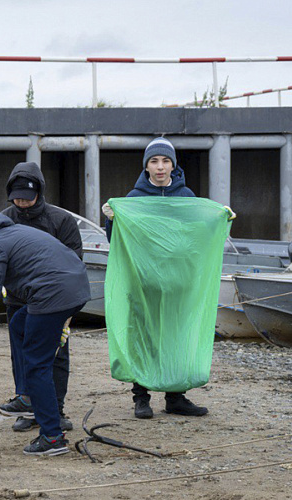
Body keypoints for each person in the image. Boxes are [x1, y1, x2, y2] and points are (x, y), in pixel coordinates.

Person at [0, 214, 90, 456]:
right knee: (19, 321)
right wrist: (63, 322)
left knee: (36, 366)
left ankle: (52, 436)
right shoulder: (17, 231)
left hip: (52, 295)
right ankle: (29, 399)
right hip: (77, 287)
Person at [101, 137, 208, 419]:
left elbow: (197, 238)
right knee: (144, 337)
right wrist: (112, 220)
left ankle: (176, 396)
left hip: (177, 283)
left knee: (176, 336)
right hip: (144, 282)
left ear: (174, 165)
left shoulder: (186, 198)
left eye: (165, 161)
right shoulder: (134, 199)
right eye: (154, 161)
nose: (160, 167)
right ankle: (141, 397)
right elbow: (119, 243)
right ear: (146, 166)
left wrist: (219, 220)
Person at [0, 161, 82, 433]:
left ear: (40, 192)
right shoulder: (4, 219)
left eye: (27, 197)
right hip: (18, 300)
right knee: (22, 355)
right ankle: (28, 403)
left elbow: (74, 260)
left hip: (53, 302)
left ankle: (55, 409)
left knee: (56, 354)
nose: (22, 203)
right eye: (17, 198)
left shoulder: (61, 220)